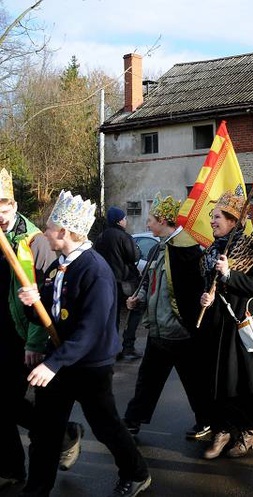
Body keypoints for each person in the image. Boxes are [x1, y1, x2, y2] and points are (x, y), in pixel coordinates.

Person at [17, 190, 150, 497]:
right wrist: (31, 303)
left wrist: (52, 364)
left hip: (90, 366)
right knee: (46, 430)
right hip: (61, 359)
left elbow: (89, 330)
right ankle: (36, 489)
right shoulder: (59, 266)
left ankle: (137, 472)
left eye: (49, 227)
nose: (44, 232)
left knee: (106, 426)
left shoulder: (95, 271)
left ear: (63, 232)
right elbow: (48, 315)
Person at [0, 170, 83, 491]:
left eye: (4, 211)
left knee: (8, 403)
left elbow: (45, 300)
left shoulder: (35, 241)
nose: (1, 219)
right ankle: (11, 468)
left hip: (25, 338)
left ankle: (62, 433)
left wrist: (35, 342)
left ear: (15, 205)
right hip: (2, 335)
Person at [122, 195, 211, 441]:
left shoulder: (187, 250)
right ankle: (132, 421)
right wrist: (138, 297)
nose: (147, 225)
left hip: (179, 331)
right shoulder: (163, 245)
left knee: (192, 381)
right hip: (159, 329)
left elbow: (191, 292)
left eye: (150, 220)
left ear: (162, 221)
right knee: (148, 379)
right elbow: (152, 280)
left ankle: (206, 420)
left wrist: (188, 324)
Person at [199, 190, 253, 460]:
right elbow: (209, 283)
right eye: (213, 216)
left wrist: (230, 275)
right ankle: (222, 430)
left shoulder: (250, 247)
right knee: (218, 382)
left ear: (232, 220)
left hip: (239, 324)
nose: (213, 221)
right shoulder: (212, 249)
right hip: (216, 326)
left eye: (217, 217)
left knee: (241, 382)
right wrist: (206, 295)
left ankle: (246, 432)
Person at [94, 206, 141, 360]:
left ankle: (111, 350)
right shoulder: (124, 237)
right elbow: (134, 256)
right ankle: (128, 346)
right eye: (125, 218)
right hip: (125, 282)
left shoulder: (100, 237)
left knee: (112, 316)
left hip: (106, 283)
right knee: (135, 310)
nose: (126, 221)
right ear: (119, 220)